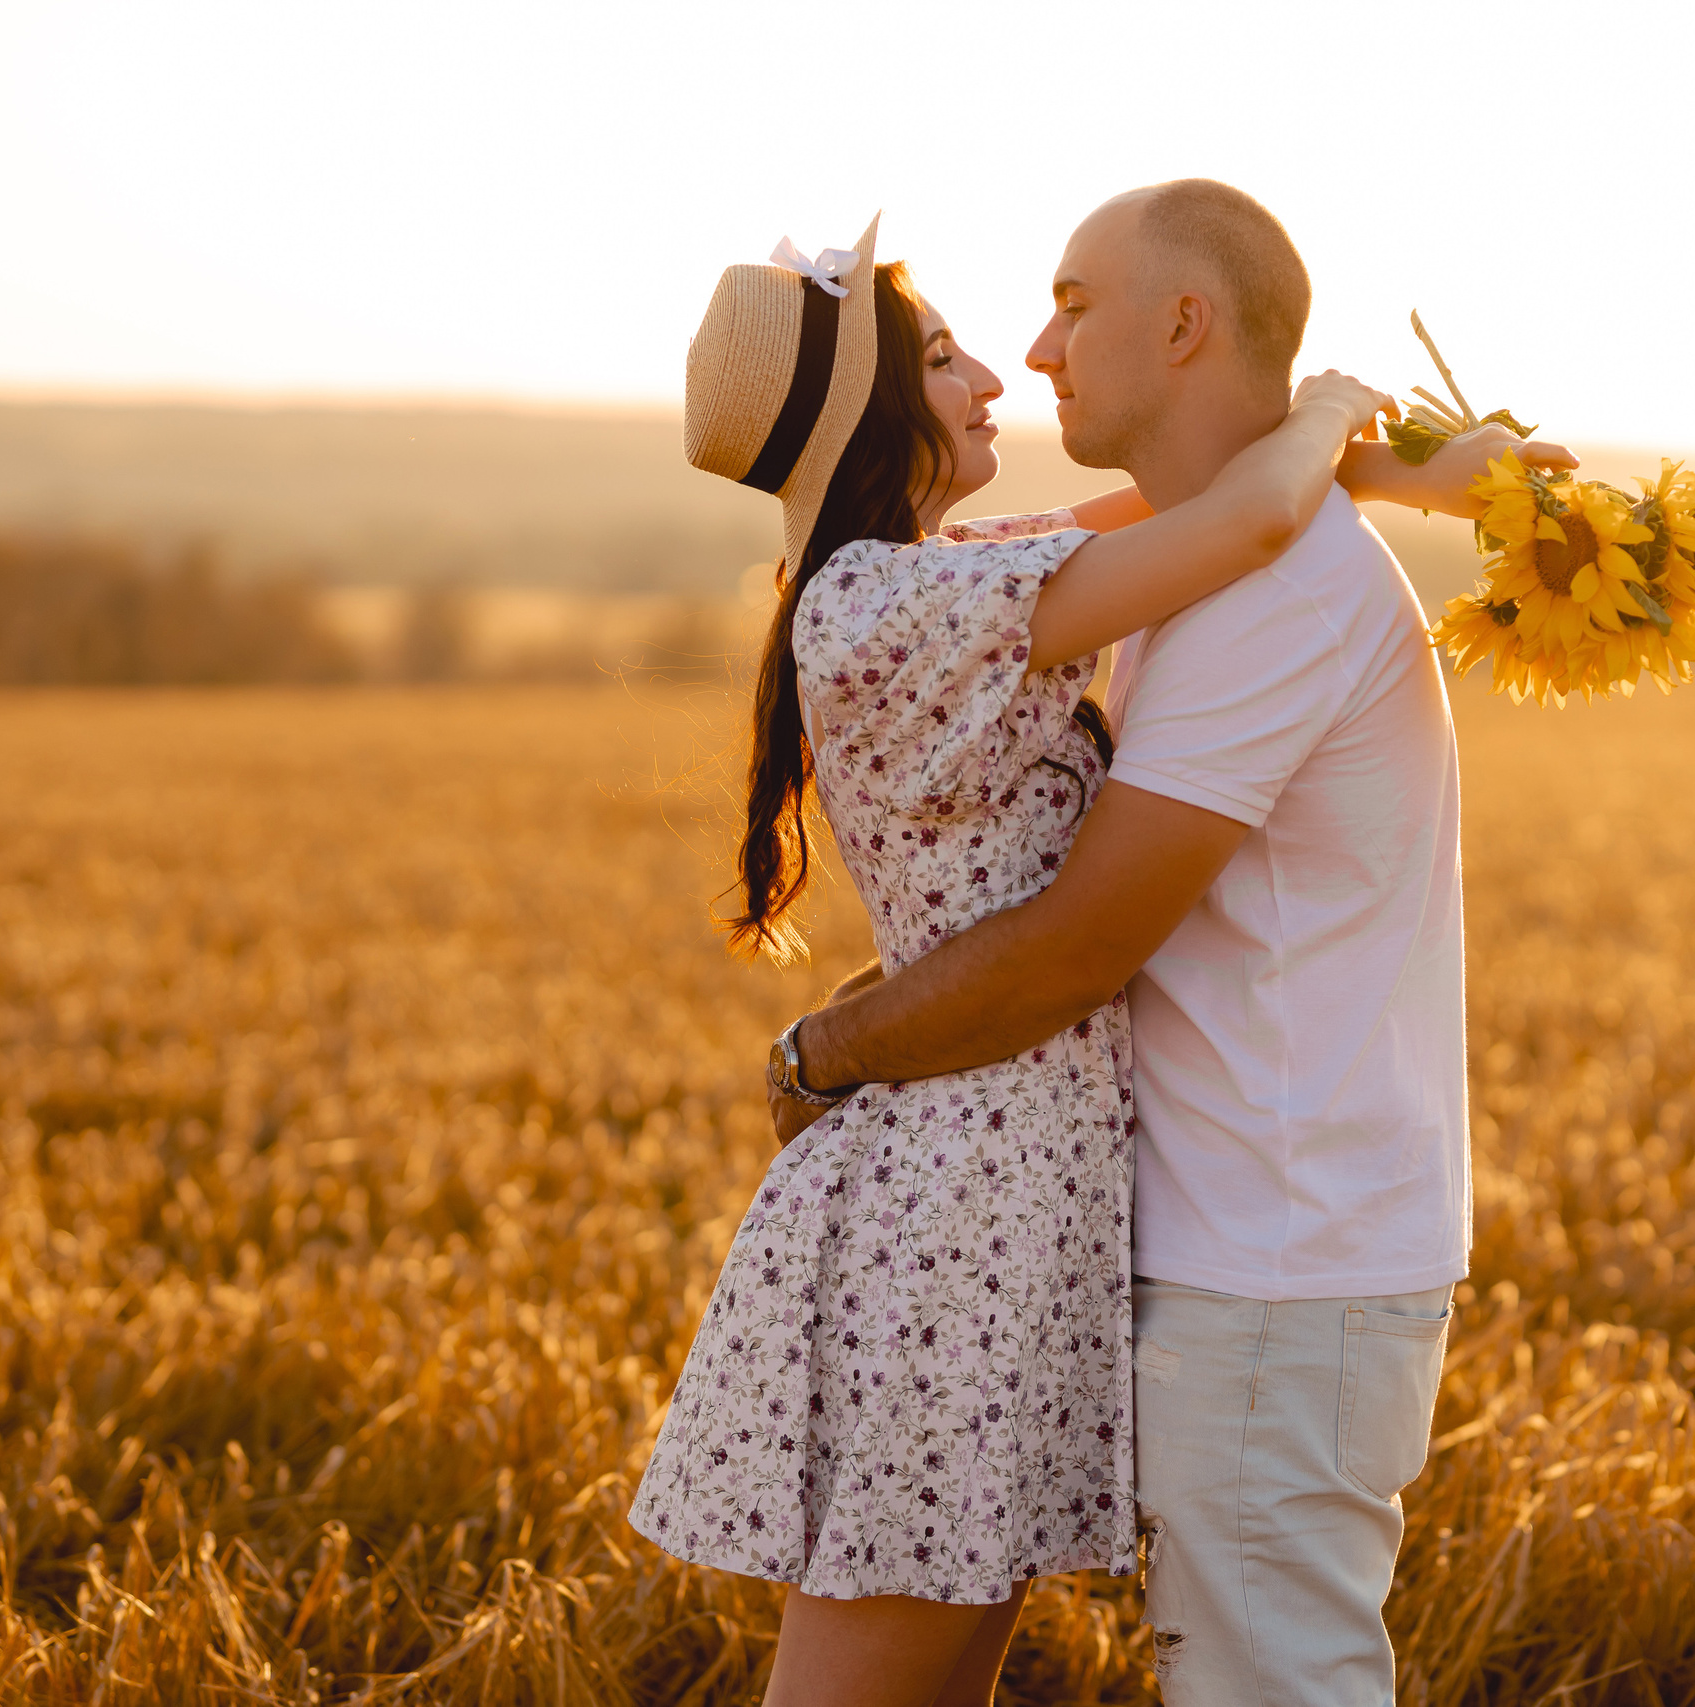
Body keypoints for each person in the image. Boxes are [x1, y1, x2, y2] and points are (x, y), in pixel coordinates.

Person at [767, 183, 1574, 1705]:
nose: (1030, 352)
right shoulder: (1130, 576)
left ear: (1186, 325)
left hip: (1264, 1258)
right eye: (953, 350)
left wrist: (828, 1050)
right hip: (1171, 1235)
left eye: (1074, 305)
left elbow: (1079, 945)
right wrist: (1378, 457)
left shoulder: (1262, 591)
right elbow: (1223, 512)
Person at [630, 211, 1425, 1707]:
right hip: (961, 1202)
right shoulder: (906, 604)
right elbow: (1243, 525)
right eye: (942, 359)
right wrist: (1327, 406)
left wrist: (1400, 469)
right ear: (869, 417)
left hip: (1010, 1186)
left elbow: (1181, 503)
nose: (996, 375)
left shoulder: (937, 576)